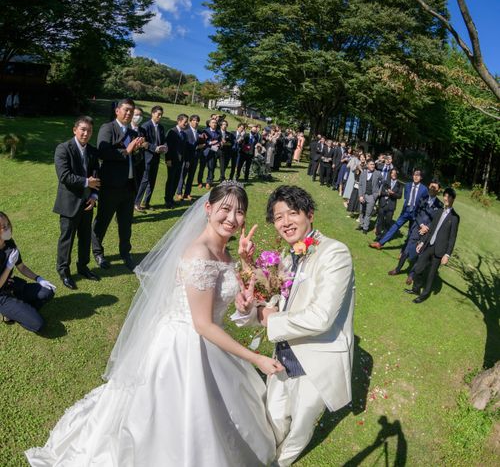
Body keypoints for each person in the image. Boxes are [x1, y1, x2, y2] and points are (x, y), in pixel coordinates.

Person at [26, 183, 281, 466]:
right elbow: (203, 324)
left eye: (240, 212)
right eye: (226, 209)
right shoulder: (201, 255)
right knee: (179, 416)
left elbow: (223, 295)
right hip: (184, 347)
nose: (232, 218)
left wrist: (244, 268)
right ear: (208, 209)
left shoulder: (223, 251)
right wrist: (255, 357)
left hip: (209, 342)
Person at [233, 185, 355, 467]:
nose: (285, 222)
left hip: (316, 362)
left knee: (299, 428)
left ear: (309, 214)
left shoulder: (335, 253)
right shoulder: (288, 258)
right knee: (272, 419)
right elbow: (269, 297)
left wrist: (271, 318)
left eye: (292, 213)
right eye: (278, 217)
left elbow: (322, 316)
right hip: (282, 357)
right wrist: (246, 263)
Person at [91, 98, 145, 271]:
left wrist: (137, 151)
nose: (129, 113)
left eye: (131, 111)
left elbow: (136, 160)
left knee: (126, 223)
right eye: (126, 110)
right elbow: (103, 152)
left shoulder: (133, 133)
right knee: (103, 221)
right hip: (111, 185)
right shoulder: (108, 128)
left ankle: (125, 253)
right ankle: (98, 252)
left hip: (129, 186)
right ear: (117, 111)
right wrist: (126, 151)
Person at [54, 116, 101, 289]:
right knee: (67, 239)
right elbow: (64, 176)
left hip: (87, 202)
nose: (86, 133)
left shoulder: (92, 151)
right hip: (69, 203)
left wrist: (94, 196)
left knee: (85, 237)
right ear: (75, 130)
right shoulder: (63, 149)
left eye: (89, 131)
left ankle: (83, 267)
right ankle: (63, 271)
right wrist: (87, 182)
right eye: (83, 129)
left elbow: (96, 175)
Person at [0, 212, 55, 332]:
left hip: (10, 285)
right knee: (38, 324)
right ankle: (10, 313)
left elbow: (21, 267)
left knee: (48, 291)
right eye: (4, 227)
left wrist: (39, 279)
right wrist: (8, 266)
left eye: (8, 224)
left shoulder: (9, 243)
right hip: (1, 297)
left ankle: (19, 309)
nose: (8, 228)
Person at [406, 187, 460, 303]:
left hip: (440, 250)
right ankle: (416, 289)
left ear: (453, 199)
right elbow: (431, 229)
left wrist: (447, 255)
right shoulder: (439, 211)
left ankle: (424, 295)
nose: (446, 198)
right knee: (419, 268)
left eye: (449, 197)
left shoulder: (455, 217)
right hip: (429, 245)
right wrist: (422, 242)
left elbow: (452, 238)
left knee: (431, 274)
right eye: (445, 196)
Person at [370, 169, 429, 249]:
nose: (416, 177)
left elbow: (424, 204)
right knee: (394, 227)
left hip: (416, 213)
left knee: (411, 232)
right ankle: (380, 243)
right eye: (415, 175)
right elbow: (406, 199)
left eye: (418, 175)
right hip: (406, 211)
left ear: (421, 177)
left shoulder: (424, 189)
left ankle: (404, 251)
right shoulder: (407, 185)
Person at [135, 105, 167, 211]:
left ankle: (146, 203)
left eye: (161, 115)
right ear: (152, 114)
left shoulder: (161, 127)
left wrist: (165, 147)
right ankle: (137, 203)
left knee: (152, 181)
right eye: (158, 114)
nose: (160, 116)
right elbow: (143, 142)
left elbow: (163, 140)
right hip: (147, 157)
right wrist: (155, 148)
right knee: (145, 180)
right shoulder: (145, 126)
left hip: (156, 158)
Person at [164, 113, 188, 208]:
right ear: (179, 121)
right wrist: (168, 159)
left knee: (176, 180)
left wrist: (185, 160)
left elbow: (184, 148)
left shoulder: (184, 134)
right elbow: (168, 147)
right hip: (172, 160)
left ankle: (171, 198)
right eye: (185, 122)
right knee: (170, 180)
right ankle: (167, 200)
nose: (186, 124)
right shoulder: (172, 132)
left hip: (180, 161)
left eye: (187, 122)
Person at [177, 114, 202, 200]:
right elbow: (184, 145)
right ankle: (179, 193)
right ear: (190, 121)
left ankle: (187, 193)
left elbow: (202, 144)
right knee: (183, 175)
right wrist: (196, 147)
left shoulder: (200, 133)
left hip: (195, 157)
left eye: (197, 121)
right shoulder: (186, 131)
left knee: (191, 176)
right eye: (194, 120)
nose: (196, 122)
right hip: (187, 157)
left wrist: (202, 146)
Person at [374, 168, 403, 241]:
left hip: (391, 206)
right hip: (383, 203)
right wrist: (387, 193)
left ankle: (384, 236)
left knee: (388, 222)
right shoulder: (385, 182)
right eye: (392, 173)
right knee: (380, 220)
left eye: (395, 173)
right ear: (390, 174)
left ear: (397, 175)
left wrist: (393, 194)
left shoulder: (399, 184)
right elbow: (381, 192)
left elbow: (399, 196)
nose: (393, 174)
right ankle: (378, 235)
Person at [358, 160, 383, 234]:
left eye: (373, 164)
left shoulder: (378, 173)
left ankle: (365, 228)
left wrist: (379, 192)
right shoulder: (363, 173)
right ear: (367, 165)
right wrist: (360, 196)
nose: (373, 166)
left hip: (372, 196)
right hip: (363, 195)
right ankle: (361, 224)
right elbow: (360, 185)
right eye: (371, 164)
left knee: (368, 213)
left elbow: (383, 182)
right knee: (361, 211)